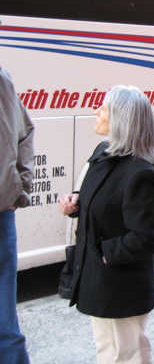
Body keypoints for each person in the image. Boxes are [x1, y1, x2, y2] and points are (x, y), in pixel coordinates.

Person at [59, 85, 154, 364]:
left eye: (103, 107)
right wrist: (76, 202)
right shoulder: (104, 153)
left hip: (120, 287)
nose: (96, 111)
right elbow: (102, 199)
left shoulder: (140, 172)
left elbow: (147, 237)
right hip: (101, 281)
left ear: (120, 118)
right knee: (113, 352)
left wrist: (107, 253)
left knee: (122, 355)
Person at [0, 67, 34, 364]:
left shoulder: (2, 79)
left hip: (1, 214)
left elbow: (24, 132)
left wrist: (20, 189)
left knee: (5, 324)